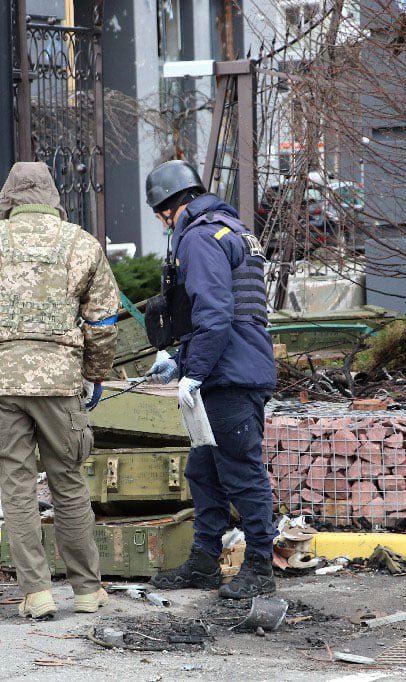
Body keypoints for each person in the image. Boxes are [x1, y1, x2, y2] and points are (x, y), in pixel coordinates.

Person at [0, 161, 121, 619]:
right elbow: (102, 321)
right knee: (69, 481)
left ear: (8, 199)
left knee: (16, 485)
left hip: (1, 382)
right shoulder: (81, 244)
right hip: (60, 382)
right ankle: (85, 590)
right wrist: (95, 373)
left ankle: (36, 594)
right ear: (52, 197)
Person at [142, 159, 278, 599]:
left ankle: (259, 566)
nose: (165, 225)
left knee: (241, 471)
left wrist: (193, 371)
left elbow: (216, 316)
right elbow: (228, 315)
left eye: (161, 216)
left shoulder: (199, 238)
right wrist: (180, 363)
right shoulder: (232, 230)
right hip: (235, 368)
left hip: (228, 378)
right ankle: (204, 561)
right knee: (204, 469)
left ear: (169, 207)